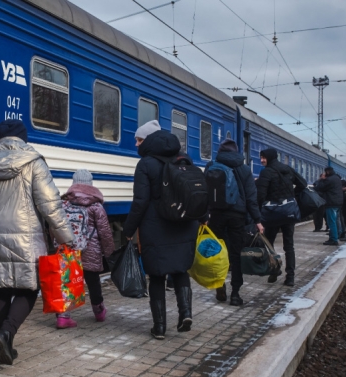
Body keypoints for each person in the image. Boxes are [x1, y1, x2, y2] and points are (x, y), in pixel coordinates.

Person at [0, 120, 73, 365]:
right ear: (24, 138)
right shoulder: (33, 163)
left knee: (0, 289)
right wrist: (67, 238)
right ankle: (6, 333)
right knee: (29, 289)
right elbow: (50, 206)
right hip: (26, 238)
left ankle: (4, 349)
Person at [123, 121, 198, 339]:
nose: (136, 144)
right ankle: (185, 313)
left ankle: (160, 327)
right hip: (183, 224)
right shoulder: (184, 159)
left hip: (155, 227)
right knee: (180, 270)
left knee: (157, 276)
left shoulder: (145, 164)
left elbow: (140, 202)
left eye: (138, 140)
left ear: (148, 141)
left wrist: (129, 229)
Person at [53, 170, 115, 329]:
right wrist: (109, 252)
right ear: (90, 184)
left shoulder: (64, 203)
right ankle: (99, 312)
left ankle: (63, 317)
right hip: (90, 250)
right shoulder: (96, 206)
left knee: (67, 281)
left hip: (68, 249)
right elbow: (105, 232)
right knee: (93, 281)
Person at [207, 139, 263, 306]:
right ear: (236, 151)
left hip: (216, 215)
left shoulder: (212, 165)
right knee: (236, 254)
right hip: (237, 216)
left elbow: (205, 191)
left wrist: (204, 215)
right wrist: (258, 220)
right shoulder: (244, 169)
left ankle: (219, 284)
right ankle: (236, 294)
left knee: (218, 252)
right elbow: (252, 198)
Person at [256, 148, 307, 287]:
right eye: (261, 157)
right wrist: (291, 196)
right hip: (288, 212)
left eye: (264, 157)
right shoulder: (287, 169)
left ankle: (274, 269)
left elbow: (260, 195)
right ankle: (290, 277)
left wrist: (258, 212)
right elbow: (303, 183)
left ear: (270, 158)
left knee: (269, 243)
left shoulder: (266, 172)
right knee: (289, 246)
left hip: (272, 213)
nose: (262, 160)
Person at [314, 167, 344, 246]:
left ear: (327, 172)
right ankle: (335, 236)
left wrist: (321, 179)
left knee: (331, 222)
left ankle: (334, 239)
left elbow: (319, 187)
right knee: (337, 220)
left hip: (331, 202)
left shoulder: (329, 180)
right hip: (338, 203)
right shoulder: (337, 178)